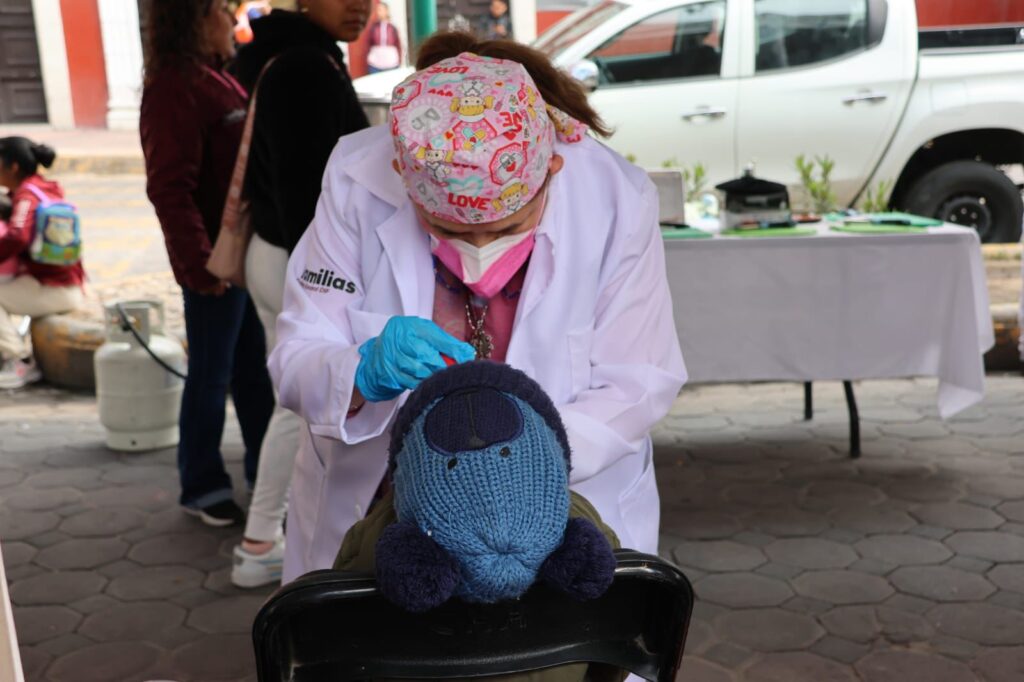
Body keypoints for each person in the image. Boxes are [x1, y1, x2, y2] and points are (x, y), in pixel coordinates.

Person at [268, 32, 687, 583]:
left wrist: (523, 464)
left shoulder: (614, 198)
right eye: (448, 230)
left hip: (564, 507)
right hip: (384, 517)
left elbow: (638, 380)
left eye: (510, 227)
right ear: (404, 179)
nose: (478, 254)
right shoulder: (357, 179)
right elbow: (297, 358)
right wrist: (359, 373)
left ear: (551, 170)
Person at [227, 0, 371, 588]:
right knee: (301, 404)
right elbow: (303, 189)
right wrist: (324, 277)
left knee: (299, 402)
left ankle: (264, 534)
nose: (359, 6)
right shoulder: (304, 67)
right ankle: (260, 540)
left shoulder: (303, 56)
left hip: (280, 252)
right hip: (293, 258)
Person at [140, 0, 275, 527]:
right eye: (221, 10)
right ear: (194, 18)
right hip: (214, 263)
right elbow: (170, 188)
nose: (230, 20)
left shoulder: (218, 75)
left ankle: (264, 472)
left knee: (253, 371)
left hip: (240, 256)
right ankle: (201, 484)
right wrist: (199, 266)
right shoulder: (175, 87)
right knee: (211, 375)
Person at [0, 138, 85, 389]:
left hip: (52, 287)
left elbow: (17, 236)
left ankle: (19, 361)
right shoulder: (43, 187)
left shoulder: (27, 195)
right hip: (62, 281)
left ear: (13, 166)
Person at [366, 2, 402, 74]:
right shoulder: (374, 27)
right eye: (377, 10)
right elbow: (368, 44)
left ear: (386, 11)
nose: (378, 12)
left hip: (391, 63)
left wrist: (399, 59)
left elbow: (398, 45)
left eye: (380, 10)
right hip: (375, 63)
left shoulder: (392, 28)